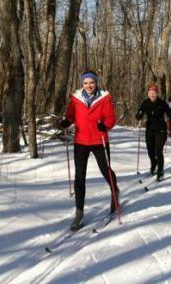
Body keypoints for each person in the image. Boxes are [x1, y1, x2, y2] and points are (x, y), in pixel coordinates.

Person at [60, 70, 120, 231]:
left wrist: (105, 126)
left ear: (96, 83)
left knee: (105, 170)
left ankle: (115, 192)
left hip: (99, 139)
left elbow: (110, 118)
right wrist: (66, 121)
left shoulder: (104, 98)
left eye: (91, 82)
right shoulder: (76, 98)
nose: (88, 86)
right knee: (80, 176)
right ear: (82, 84)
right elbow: (70, 115)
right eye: (86, 83)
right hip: (81, 141)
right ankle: (79, 212)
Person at [135, 83, 171, 181]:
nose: (152, 95)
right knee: (150, 151)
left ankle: (160, 172)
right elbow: (139, 114)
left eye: (154, 93)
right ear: (148, 94)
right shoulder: (145, 103)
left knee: (158, 151)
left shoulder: (162, 103)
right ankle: (154, 164)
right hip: (149, 129)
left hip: (161, 129)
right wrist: (139, 115)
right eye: (150, 93)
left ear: (157, 93)